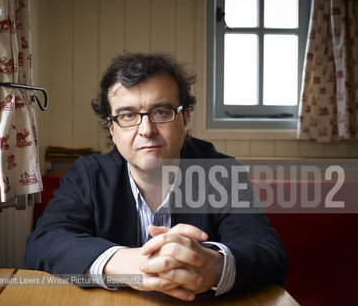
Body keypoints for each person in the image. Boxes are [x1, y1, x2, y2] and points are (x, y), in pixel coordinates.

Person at [24, 52, 287, 301]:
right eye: (128, 115)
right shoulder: (87, 174)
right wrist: (127, 263)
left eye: (161, 112)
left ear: (184, 118)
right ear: (112, 128)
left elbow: (268, 253)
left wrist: (214, 265)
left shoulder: (223, 174)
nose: (146, 130)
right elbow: (44, 243)